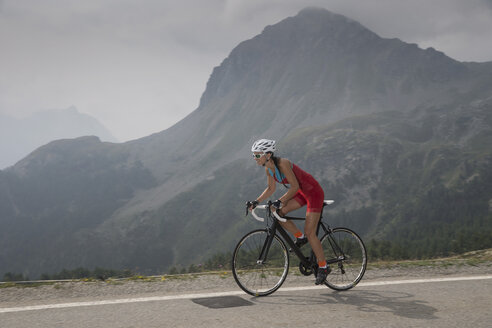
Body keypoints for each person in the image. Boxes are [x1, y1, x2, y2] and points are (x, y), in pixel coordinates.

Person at [248, 139, 330, 285]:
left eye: (257, 155)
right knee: (277, 212)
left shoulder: (282, 163)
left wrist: (280, 200)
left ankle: (323, 266)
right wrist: (256, 201)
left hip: (313, 192)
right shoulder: (269, 168)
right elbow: (270, 189)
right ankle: (300, 238)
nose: (254, 158)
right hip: (300, 193)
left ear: (268, 154)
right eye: (253, 155)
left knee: (311, 232)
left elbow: (294, 186)